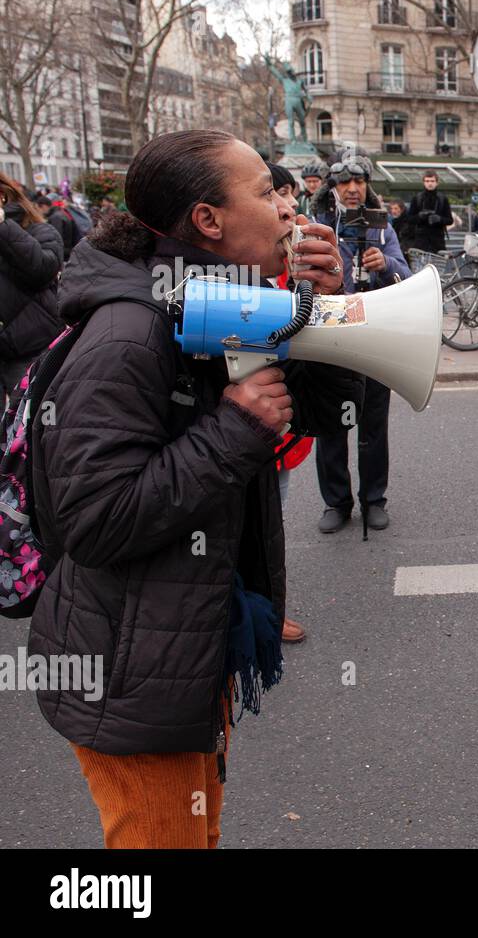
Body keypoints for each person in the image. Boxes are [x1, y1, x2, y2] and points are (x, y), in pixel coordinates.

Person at [25, 129, 360, 848]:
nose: (286, 207)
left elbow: (329, 413)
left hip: (184, 645)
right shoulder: (127, 333)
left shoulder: (218, 304)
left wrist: (325, 310)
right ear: (207, 222)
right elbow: (95, 521)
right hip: (130, 672)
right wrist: (236, 432)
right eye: (267, 193)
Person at [311, 149, 411, 534]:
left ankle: (374, 500)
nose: (352, 189)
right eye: (344, 182)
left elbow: (405, 274)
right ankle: (336, 503)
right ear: (333, 186)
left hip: (375, 337)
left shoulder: (383, 226)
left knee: (373, 427)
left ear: (367, 185)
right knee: (331, 427)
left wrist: (384, 264)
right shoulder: (319, 223)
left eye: (359, 181)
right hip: (332, 340)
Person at [0, 173, 64, 403]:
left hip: (30, 349)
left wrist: (3, 227)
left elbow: (42, 269)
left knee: (32, 426)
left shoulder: (40, 231)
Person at [407, 170, 453, 253]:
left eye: (432, 181)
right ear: (424, 182)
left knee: (437, 264)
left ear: (437, 183)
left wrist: (439, 219)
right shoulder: (417, 198)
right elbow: (409, 219)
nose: (430, 183)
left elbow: (450, 220)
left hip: (437, 240)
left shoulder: (442, 199)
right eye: (427, 181)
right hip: (420, 240)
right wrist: (420, 216)